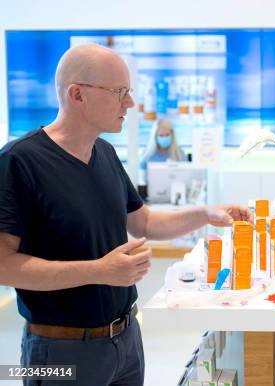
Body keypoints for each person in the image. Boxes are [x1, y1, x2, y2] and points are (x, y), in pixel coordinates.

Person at [0, 43, 252, 386]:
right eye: (119, 92)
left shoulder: (103, 153)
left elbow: (143, 221)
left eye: (129, 92)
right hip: (61, 350)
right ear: (77, 95)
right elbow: (3, 264)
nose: (130, 103)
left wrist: (206, 213)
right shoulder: (19, 161)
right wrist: (100, 271)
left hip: (125, 341)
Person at [139, 118, 186, 183]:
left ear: (172, 135)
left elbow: (185, 175)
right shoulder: (147, 155)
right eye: (161, 135)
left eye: (167, 135)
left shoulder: (179, 154)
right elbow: (143, 179)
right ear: (155, 136)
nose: (164, 138)